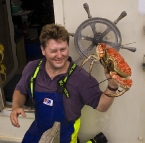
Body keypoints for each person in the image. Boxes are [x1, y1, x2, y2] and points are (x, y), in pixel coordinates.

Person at [10, 24, 118, 143]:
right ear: (43, 50)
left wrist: (112, 86)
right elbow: (20, 90)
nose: (59, 55)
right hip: (38, 130)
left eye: (63, 49)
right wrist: (16, 106)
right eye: (53, 51)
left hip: (66, 134)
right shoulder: (32, 69)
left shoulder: (81, 77)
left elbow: (102, 106)